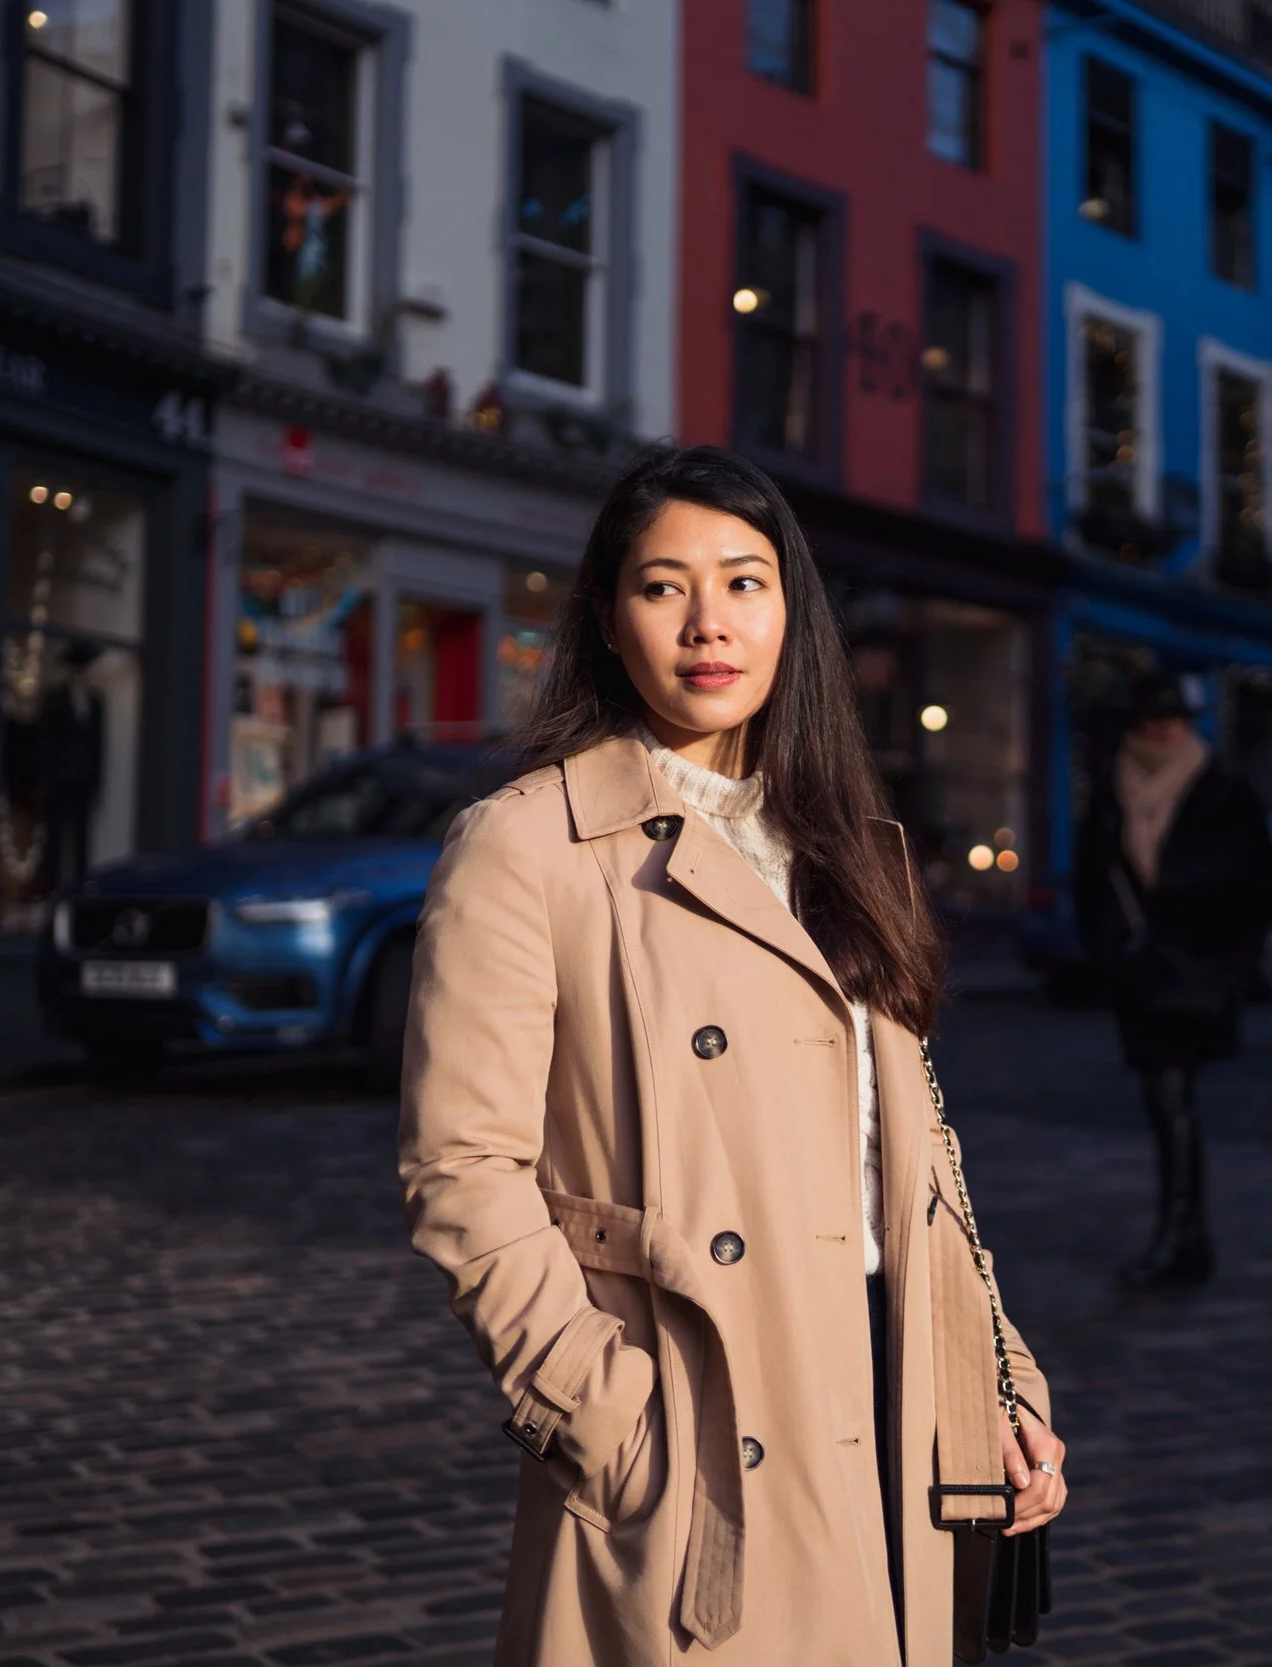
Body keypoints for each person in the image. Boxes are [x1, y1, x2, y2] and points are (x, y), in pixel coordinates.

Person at [398, 444, 1066, 1667]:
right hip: (703, 1412)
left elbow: (908, 1165)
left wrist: (1000, 1378)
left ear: (790, 611)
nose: (708, 622)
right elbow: (461, 1167)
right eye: (662, 586)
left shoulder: (852, 846)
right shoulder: (527, 844)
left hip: (897, 1384)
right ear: (606, 617)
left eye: (744, 582)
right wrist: (607, 1418)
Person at [1073, 674, 1272, 1291]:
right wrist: (1110, 949)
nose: (1169, 730)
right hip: (1141, 971)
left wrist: (1219, 952)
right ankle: (1189, 1241)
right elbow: (1093, 876)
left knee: (1171, 1096)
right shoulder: (1113, 785)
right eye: (1157, 719)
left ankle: (1179, 1237)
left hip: (1196, 967)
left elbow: (1258, 879)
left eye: (1179, 719)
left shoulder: (1220, 787)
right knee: (1165, 1100)